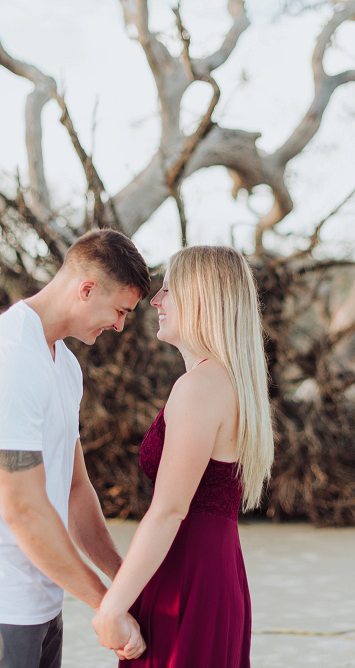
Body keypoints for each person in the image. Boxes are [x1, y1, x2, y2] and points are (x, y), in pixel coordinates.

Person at [0, 229, 151, 667]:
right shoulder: (9, 359)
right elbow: (23, 509)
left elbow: (74, 490)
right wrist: (104, 604)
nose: (120, 325)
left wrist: (126, 584)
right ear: (86, 289)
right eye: (120, 310)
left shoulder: (64, 365)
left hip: (42, 604)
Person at [92, 245, 275, 667]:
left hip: (187, 571)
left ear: (201, 299)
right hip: (213, 568)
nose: (155, 301)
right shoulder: (227, 382)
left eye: (168, 290)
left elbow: (169, 511)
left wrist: (112, 609)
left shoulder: (200, 387)